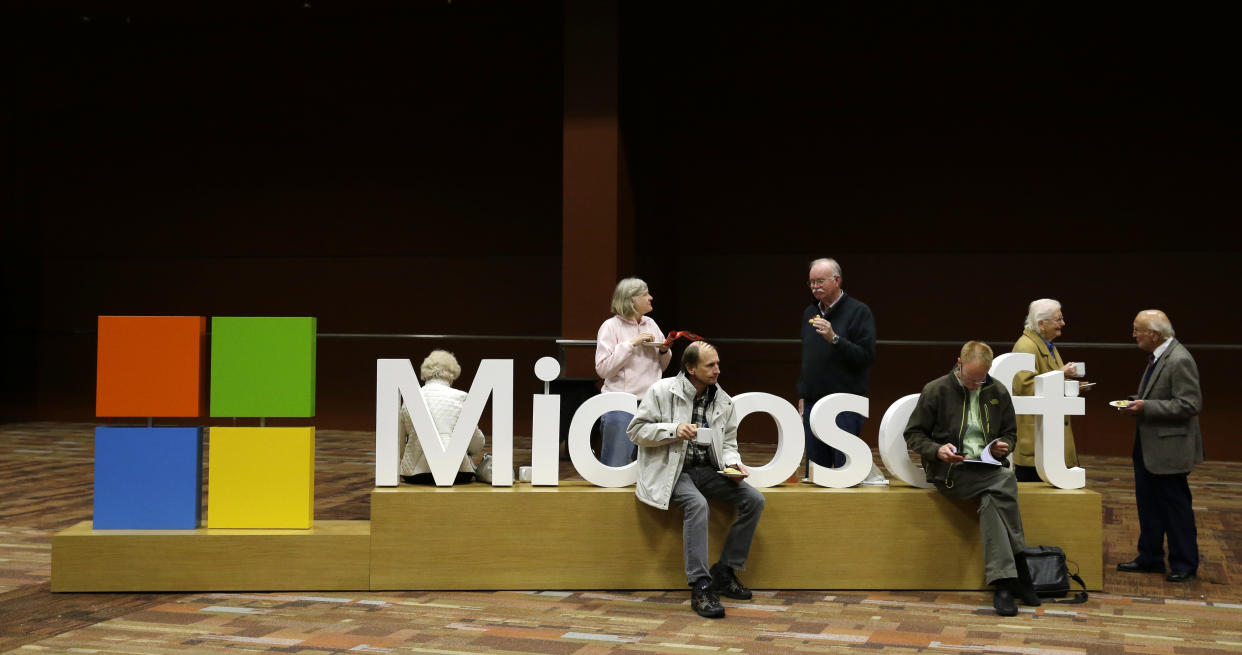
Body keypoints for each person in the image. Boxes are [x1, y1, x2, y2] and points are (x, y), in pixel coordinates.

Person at [628, 342, 765, 619]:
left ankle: (725, 571)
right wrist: (673, 430)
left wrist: (731, 465)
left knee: (754, 500)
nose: (717, 370)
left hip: (707, 470)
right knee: (697, 504)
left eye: (717, 364)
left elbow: (728, 443)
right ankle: (701, 585)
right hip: (672, 470)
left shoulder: (723, 400)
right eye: (710, 365)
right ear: (690, 368)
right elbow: (636, 431)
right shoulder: (661, 391)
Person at [904, 341, 1041, 616]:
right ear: (959, 363)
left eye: (980, 380)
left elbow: (1010, 434)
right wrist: (937, 450)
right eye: (969, 379)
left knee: (993, 499)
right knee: (1004, 480)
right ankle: (1021, 571)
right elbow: (914, 435)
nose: (974, 385)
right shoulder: (937, 390)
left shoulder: (998, 391)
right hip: (950, 471)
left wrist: (1005, 445)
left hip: (986, 469)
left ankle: (1004, 583)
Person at [1115, 310, 1203, 582]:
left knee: (1175, 507)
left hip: (1169, 449)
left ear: (1154, 334)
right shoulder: (1159, 356)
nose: (1133, 335)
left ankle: (1184, 563)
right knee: (1148, 505)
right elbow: (1158, 395)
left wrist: (1146, 406)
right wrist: (1136, 402)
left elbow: (1190, 404)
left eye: (1137, 330)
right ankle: (1150, 557)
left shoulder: (1179, 360)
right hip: (1149, 446)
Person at [797, 258, 881, 480]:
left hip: (845, 404)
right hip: (813, 404)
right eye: (811, 282)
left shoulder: (859, 312)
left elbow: (865, 357)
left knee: (845, 473)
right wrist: (803, 395)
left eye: (820, 281)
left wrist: (834, 338)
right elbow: (809, 360)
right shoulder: (809, 313)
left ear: (837, 280)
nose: (815, 286)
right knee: (816, 474)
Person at [595, 277, 672, 467]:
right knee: (616, 464)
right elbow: (603, 369)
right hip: (620, 404)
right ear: (631, 300)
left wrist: (664, 351)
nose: (651, 298)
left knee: (652, 467)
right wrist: (631, 344)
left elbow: (661, 367)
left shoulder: (651, 324)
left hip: (651, 404)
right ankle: (611, 497)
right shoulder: (610, 326)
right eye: (645, 294)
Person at [1010, 299, 1081, 482]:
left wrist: (1071, 386)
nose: (1063, 324)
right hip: (1036, 440)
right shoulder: (1026, 346)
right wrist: (1060, 373)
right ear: (1041, 324)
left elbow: (1048, 381)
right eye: (1058, 320)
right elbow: (1025, 387)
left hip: (1050, 438)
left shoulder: (1047, 345)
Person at [398, 350, 486, 485]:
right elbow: (476, 444)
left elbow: (400, 442)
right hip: (458, 473)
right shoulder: (461, 397)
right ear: (453, 373)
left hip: (415, 475)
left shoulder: (411, 399)